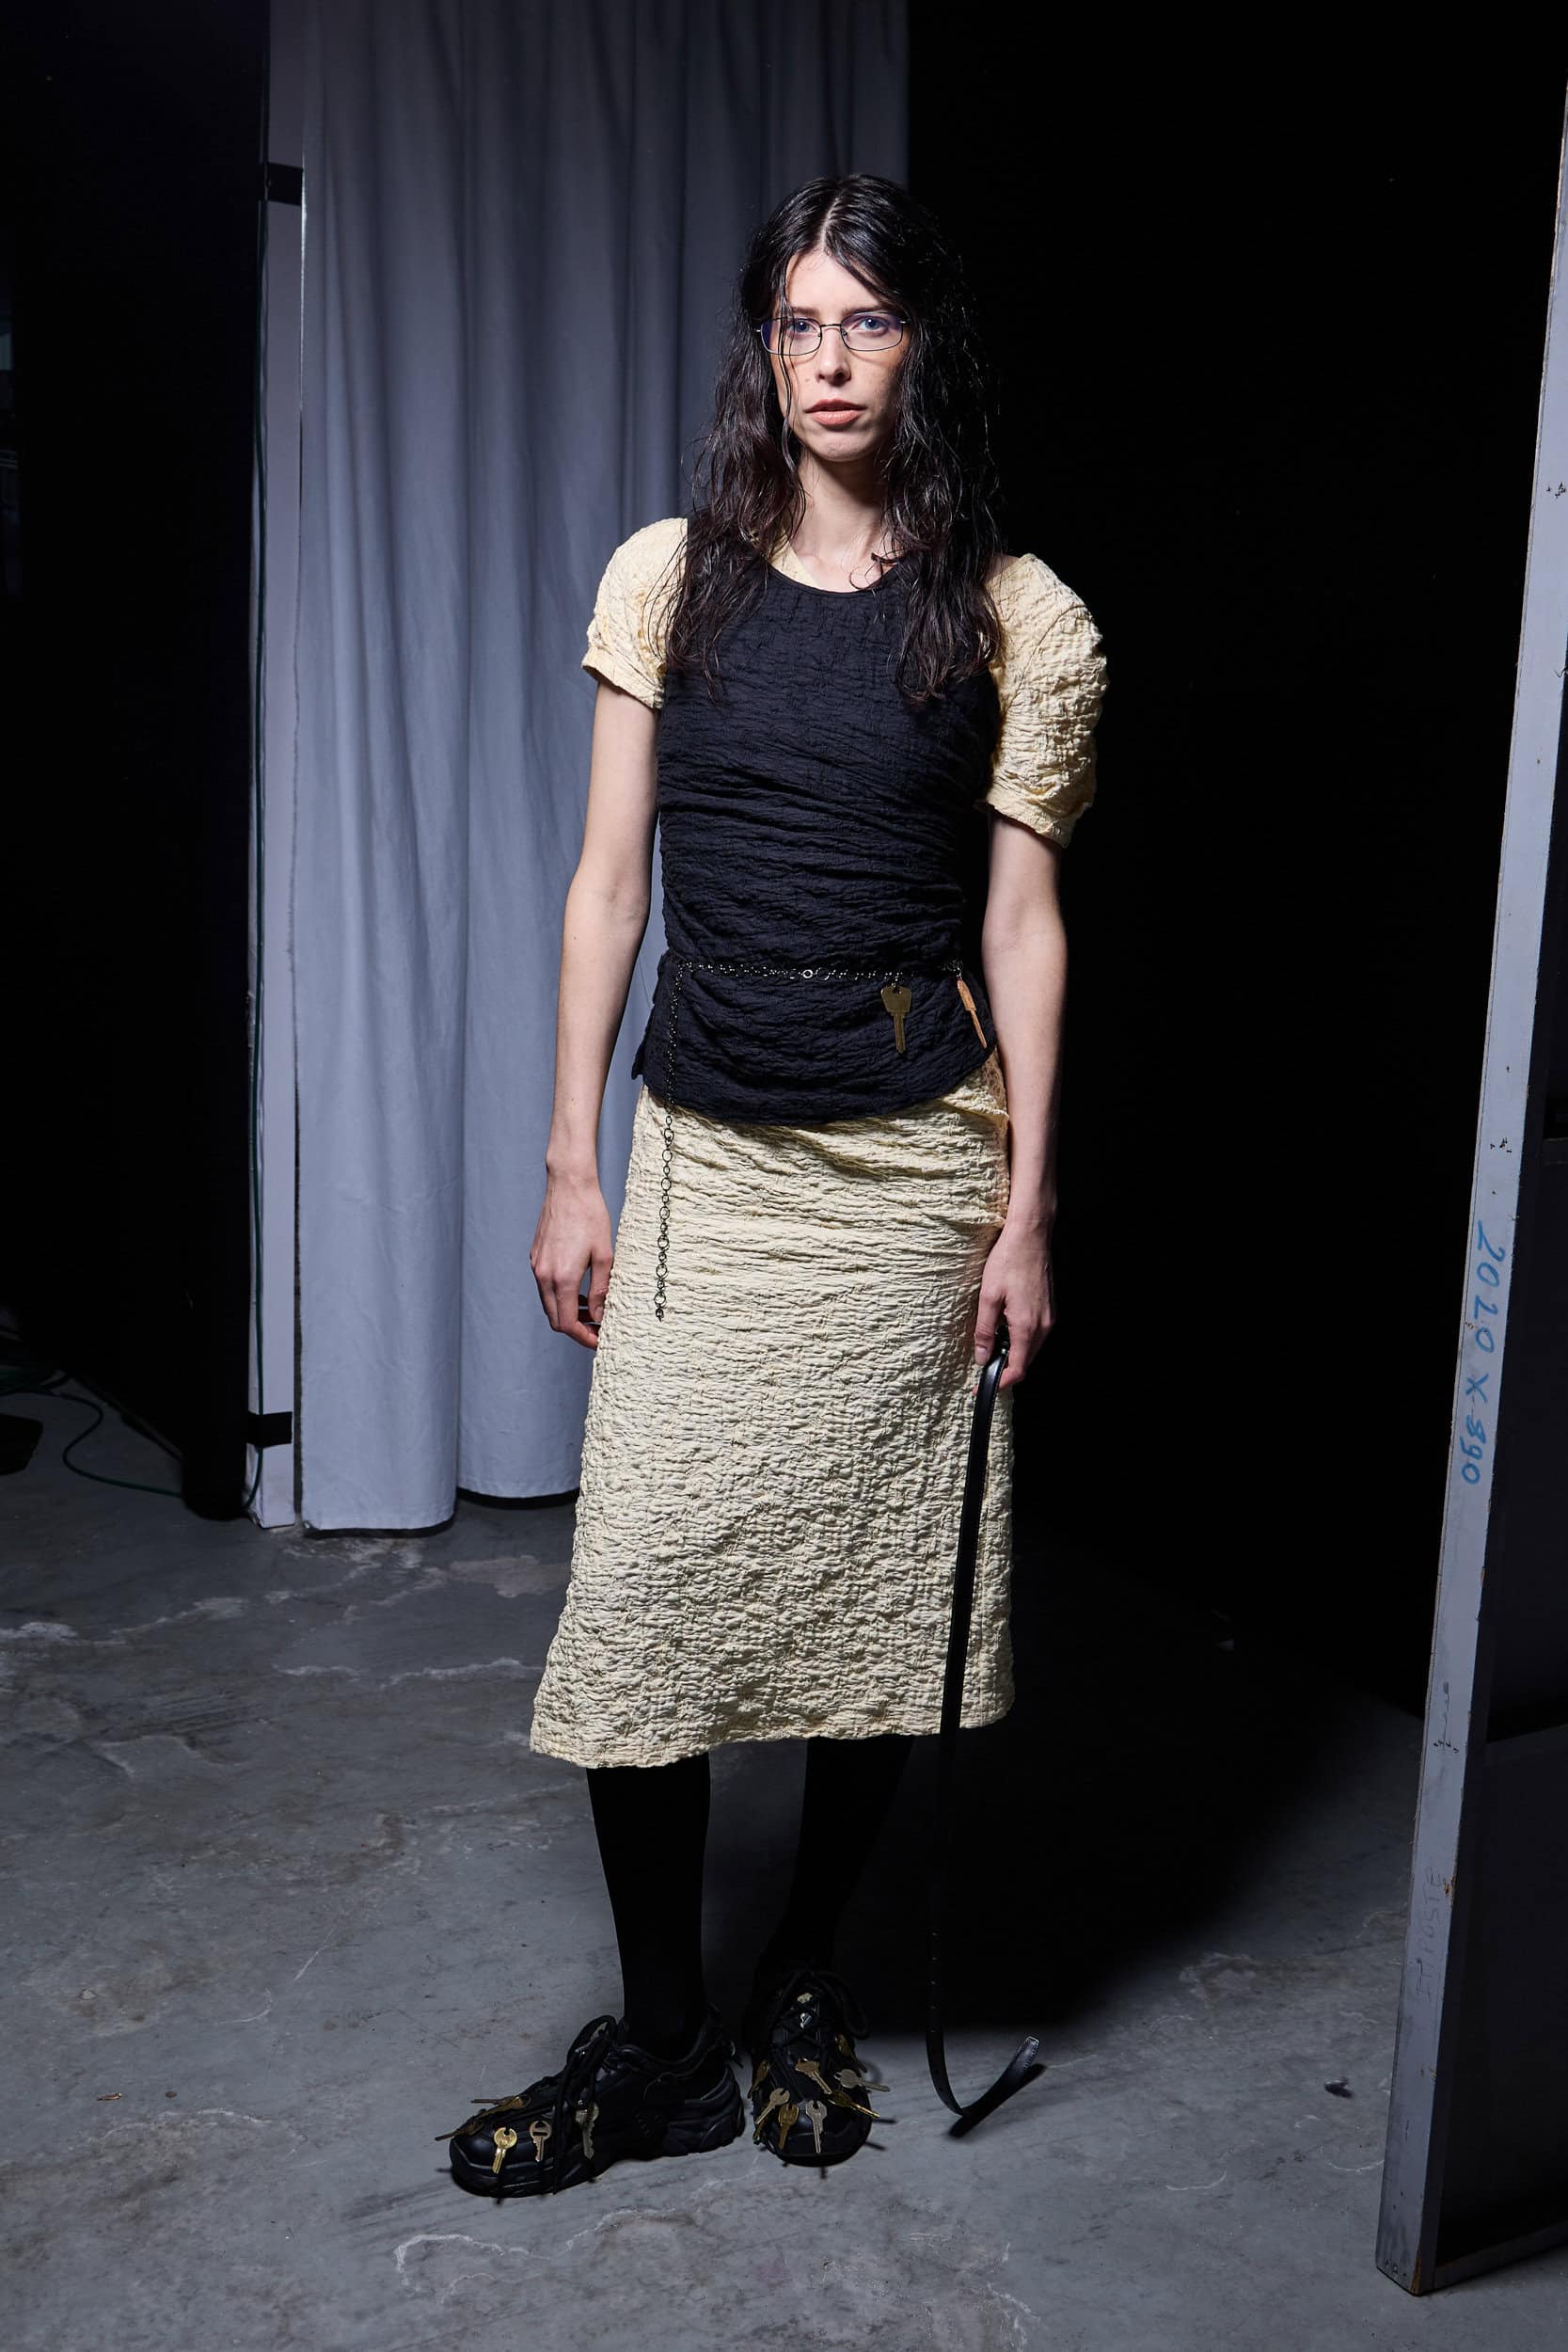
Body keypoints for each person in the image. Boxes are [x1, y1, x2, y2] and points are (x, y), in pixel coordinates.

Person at [438, 172, 1105, 2196]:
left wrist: (1026, 1209)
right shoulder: (671, 579)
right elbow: (606, 887)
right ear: (764, 349)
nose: (829, 361)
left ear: (923, 349)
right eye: (799, 323)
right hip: (710, 1162)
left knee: (874, 1600)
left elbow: (1023, 926)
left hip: (912, 1175)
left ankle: (802, 1977)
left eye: (867, 322)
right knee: (645, 1600)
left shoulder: (1017, 615)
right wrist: (571, 1159)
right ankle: (664, 2047)